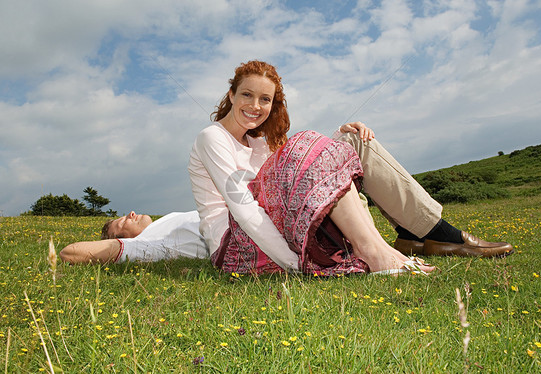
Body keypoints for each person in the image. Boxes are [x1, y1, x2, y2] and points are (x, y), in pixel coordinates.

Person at [188, 60, 512, 276]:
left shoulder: (259, 142)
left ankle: (423, 232)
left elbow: (300, 179)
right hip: (240, 244)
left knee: (353, 140)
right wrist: (294, 264)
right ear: (231, 94)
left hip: (282, 227)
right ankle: (378, 252)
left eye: (265, 99)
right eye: (247, 95)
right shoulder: (211, 137)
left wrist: (340, 140)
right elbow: (245, 210)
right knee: (306, 142)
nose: (255, 106)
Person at [59, 211, 207, 264]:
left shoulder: (162, 223)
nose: (131, 213)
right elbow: (69, 252)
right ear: (123, 239)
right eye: (123, 222)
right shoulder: (146, 244)